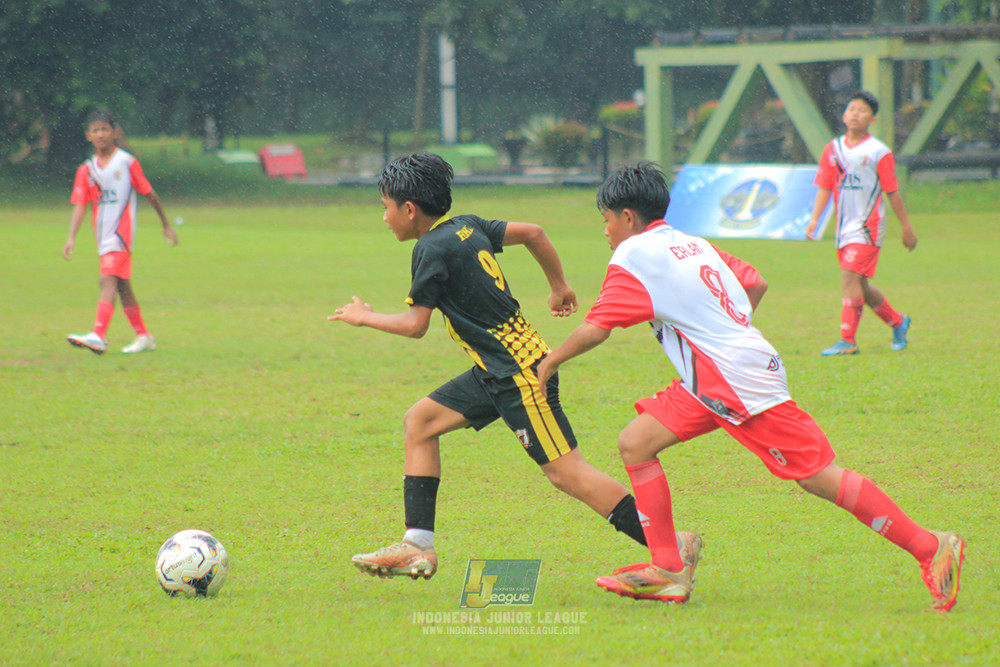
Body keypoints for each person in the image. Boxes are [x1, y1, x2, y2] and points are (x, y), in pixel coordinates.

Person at [537, 162, 964, 612]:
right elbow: (754, 280)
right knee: (636, 442)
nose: (605, 232)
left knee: (818, 477)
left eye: (606, 220)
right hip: (714, 378)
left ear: (626, 217)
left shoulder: (634, 253)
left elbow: (598, 328)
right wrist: (728, 332)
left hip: (734, 381)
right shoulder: (691, 242)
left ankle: (929, 546)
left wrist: (552, 359)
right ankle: (668, 568)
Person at [328, 152, 647, 580]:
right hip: (495, 369)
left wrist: (363, 316)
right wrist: (560, 287)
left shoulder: (429, 248)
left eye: (386, 207)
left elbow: (415, 325)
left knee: (566, 473)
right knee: (420, 422)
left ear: (409, 209)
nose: (384, 217)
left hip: (520, 375)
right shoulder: (467, 225)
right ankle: (416, 546)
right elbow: (534, 233)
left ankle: (668, 542)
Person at [805, 90, 917, 356]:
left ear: (872, 119)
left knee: (849, 277)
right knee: (860, 285)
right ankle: (899, 322)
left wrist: (906, 227)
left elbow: (892, 191)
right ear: (844, 115)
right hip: (844, 229)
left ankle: (847, 340)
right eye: (851, 108)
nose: (855, 113)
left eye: (862, 110)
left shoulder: (879, 152)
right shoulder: (832, 149)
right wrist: (814, 219)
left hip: (868, 227)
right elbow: (824, 185)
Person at [63, 110, 178, 355]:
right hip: (102, 236)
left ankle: (98, 336)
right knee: (122, 287)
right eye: (96, 130)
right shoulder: (86, 169)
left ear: (114, 132)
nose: (101, 134)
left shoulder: (127, 162)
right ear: (88, 136)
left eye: (105, 129)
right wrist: (71, 236)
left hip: (121, 234)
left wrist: (165, 224)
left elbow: (149, 192)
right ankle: (144, 336)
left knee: (106, 280)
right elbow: (81, 204)